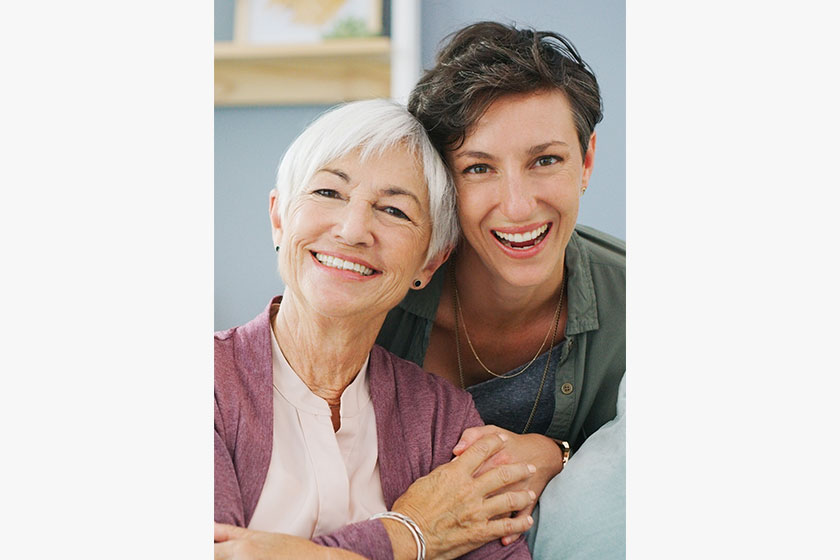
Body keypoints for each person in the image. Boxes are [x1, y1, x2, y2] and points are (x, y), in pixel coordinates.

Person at [214, 99, 535, 560]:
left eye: (394, 211)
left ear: (430, 261)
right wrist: (409, 534)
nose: (352, 230)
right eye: (328, 192)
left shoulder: (442, 417)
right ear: (279, 218)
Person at [376, 21, 626, 548]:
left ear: (586, 162)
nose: (517, 205)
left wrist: (557, 457)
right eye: (478, 168)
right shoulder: (377, 300)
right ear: (442, 181)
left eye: (545, 160)